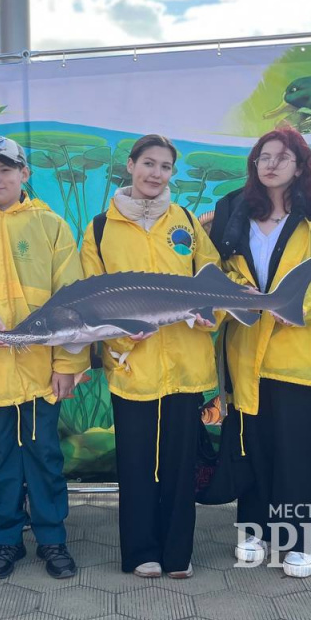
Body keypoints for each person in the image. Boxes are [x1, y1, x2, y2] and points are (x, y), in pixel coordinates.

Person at [209, 126, 311, 578]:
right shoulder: (234, 215)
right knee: (251, 446)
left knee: (296, 452)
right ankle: (254, 531)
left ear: (300, 166)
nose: (270, 164)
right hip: (246, 352)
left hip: (300, 355)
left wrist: (300, 306)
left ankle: (300, 540)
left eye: (282, 157)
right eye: (263, 156)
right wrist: (240, 292)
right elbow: (214, 271)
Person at [0, 135, 88, 580]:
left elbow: (72, 301)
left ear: (24, 174)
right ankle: (6, 541)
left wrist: (67, 364)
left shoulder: (53, 227)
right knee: (1, 460)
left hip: (42, 373)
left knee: (44, 456)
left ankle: (52, 540)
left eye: (5, 170)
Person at [81, 134, 221, 579]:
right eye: (148, 163)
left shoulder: (186, 223)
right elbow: (92, 298)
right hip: (132, 368)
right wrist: (123, 340)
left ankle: (178, 553)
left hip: (184, 365)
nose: (155, 173)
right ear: (131, 165)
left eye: (164, 167)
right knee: (137, 464)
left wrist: (209, 312)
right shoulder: (101, 227)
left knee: (181, 465)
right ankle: (140, 551)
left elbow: (211, 277)